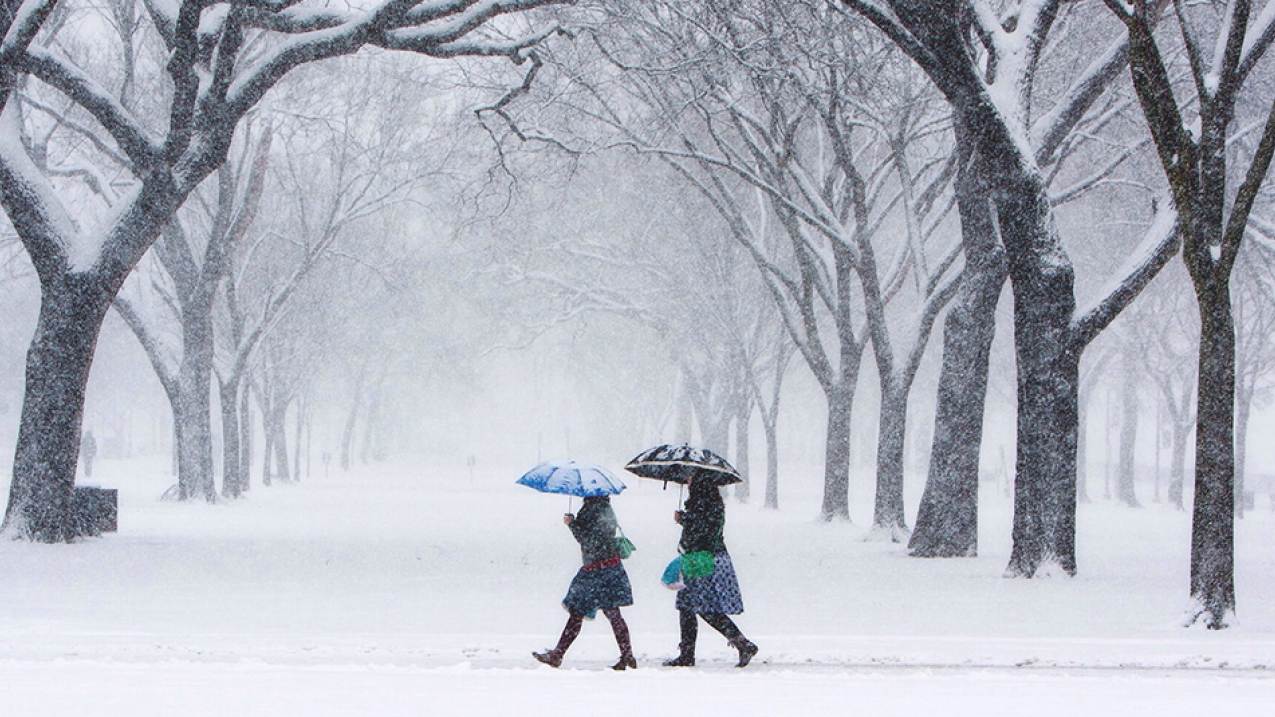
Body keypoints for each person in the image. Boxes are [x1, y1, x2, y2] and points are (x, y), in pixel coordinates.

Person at [664, 470, 758, 668]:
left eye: (691, 478)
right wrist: (686, 519)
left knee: (698, 607)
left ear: (699, 484)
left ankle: (740, 643)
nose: (687, 481)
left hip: (703, 561)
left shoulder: (702, 505)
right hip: (708, 559)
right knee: (691, 606)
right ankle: (691, 652)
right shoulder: (711, 504)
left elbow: (701, 532)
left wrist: (684, 520)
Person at [533, 495, 637, 670]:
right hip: (608, 567)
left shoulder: (593, 509)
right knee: (610, 613)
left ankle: (557, 655)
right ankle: (627, 656)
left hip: (598, 570)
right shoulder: (603, 507)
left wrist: (572, 524)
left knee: (580, 611)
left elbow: (589, 540)